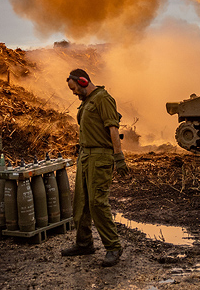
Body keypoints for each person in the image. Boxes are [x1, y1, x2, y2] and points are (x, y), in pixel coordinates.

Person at [61, 68, 130, 267]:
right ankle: (84, 244)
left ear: (83, 82)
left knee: (97, 202)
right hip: (85, 156)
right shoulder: (87, 102)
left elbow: (113, 129)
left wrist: (119, 158)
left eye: (74, 88)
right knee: (80, 203)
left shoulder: (103, 98)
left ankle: (113, 247)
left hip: (100, 157)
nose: (74, 93)